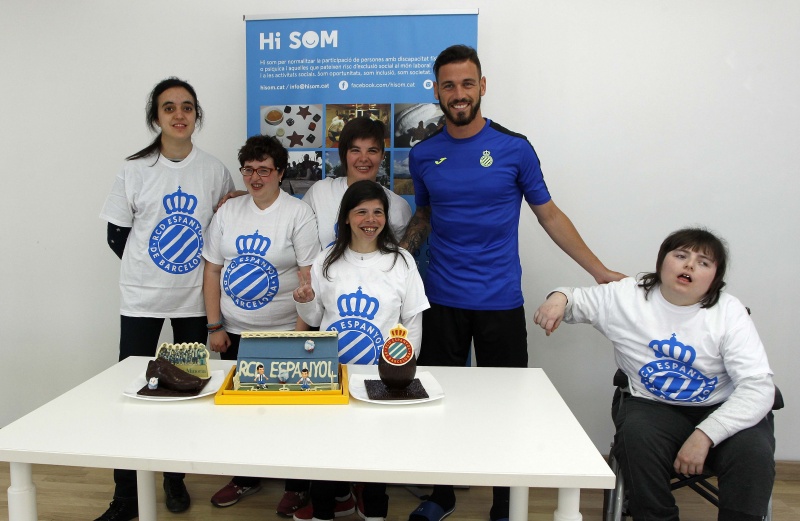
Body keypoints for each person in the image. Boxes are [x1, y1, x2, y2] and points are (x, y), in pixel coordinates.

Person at [400, 44, 624, 521]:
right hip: (440, 300)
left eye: (467, 83)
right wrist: (395, 258)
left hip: (499, 300)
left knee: (506, 407)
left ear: (482, 86)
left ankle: (504, 503)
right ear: (436, 91)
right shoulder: (423, 154)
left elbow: (550, 215)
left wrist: (599, 270)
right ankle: (442, 494)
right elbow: (424, 214)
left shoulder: (514, 148)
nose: (458, 93)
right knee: (436, 400)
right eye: (448, 85)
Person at [533, 228, 775, 521]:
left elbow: (758, 387)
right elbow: (574, 298)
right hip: (652, 405)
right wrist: (558, 298)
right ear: (662, 261)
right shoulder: (627, 296)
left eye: (703, 262)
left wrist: (704, 435)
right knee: (636, 439)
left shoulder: (729, 312)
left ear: (715, 278)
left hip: (720, 405)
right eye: (681, 256)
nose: (689, 265)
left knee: (753, 452)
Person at [98, 77, 235, 521]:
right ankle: (125, 496)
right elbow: (117, 235)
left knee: (185, 391)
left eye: (187, 107)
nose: (179, 114)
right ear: (155, 116)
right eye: (169, 107)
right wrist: (151, 270)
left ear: (197, 115)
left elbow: (221, 234)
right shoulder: (134, 169)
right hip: (141, 301)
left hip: (195, 303)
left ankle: (174, 479)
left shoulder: (213, 170)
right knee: (131, 393)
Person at [293, 180, 430, 521]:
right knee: (327, 452)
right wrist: (306, 301)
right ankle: (325, 510)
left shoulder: (401, 261)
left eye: (378, 212)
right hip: (333, 376)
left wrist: (403, 368)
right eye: (361, 212)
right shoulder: (326, 260)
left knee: (376, 453)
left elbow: (412, 320)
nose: (370, 220)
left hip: (381, 378)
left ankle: (374, 511)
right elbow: (315, 319)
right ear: (346, 217)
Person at [203, 134, 320, 513]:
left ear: (280, 172)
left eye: (264, 170)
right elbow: (212, 270)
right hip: (236, 331)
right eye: (249, 170)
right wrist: (214, 326)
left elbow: (307, 279)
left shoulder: (298, 214)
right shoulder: (228, 212)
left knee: (290, 412)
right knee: (241, 410)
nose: (255, 178)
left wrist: (299, 340)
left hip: (285, 332)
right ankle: (245, 477)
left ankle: (297, 485)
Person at [303, 117, 412, 249]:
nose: (363, 158)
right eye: (355, 150)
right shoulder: (319, 192)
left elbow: (396, 257)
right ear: (344, 154)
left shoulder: (399, 207)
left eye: (372, 151)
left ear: (382, 155)